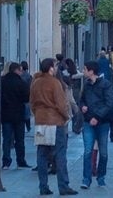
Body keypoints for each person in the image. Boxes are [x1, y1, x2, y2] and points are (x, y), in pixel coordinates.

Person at [30, 58, 78, 196]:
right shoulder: (54, 83)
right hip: (55, 121)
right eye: (55, 66)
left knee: (42, 154)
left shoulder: (36, 83)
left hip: (40, 120)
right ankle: (63, 186)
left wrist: (38, 114)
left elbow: (32, 102)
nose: (56, 68)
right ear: (51, 68)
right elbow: (61, 104)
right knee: (60, 154)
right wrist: (66, 116)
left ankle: (43, 186)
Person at [79, 61, 113, 189]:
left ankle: (101, 176)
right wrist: (82, 106)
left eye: (84, 69)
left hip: (103, 123)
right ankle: (86, 179)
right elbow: (81, 99)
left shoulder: (106, 84)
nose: (83, 71)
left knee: (103, 152)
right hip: (88, 122)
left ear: (91, 71)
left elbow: (109, 103)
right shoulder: (87, 85)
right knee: (88, 151)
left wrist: (98, 117)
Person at [0, 62, 31, 169]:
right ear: (17, 70)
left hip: (5, 115)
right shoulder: (21, 82)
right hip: (18, 114)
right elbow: (26, 98)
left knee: (7, 139)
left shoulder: (2, 81)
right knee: (19, 139)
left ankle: (6, 161)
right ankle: (20, 161)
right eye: (20, 70)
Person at [20, 61, 33, 132]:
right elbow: (31, 86)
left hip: (20, 96)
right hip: (27, 97)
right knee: (27, 113)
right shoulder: (29, 76)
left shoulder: (20, 75)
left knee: (23, 113)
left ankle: (23, 126)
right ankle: (28, 127)